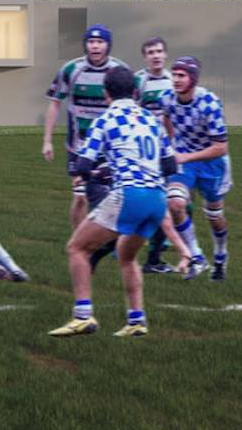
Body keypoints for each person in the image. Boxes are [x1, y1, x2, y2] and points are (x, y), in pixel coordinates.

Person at [49, 66, 190, 338]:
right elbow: (170, 165)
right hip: (157, 199)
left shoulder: (106, 118)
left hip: (130, 195)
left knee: (77, 248)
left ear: (106, 93)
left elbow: (81, 165)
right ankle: (137, 320)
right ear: (135, 92)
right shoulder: (151, 119)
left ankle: (83, 316)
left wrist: (100, 172)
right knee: (127, 256)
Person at [41, 24, 131, 228]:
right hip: (79, 147)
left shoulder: (119, 70)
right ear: (85, 45)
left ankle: (113, 239)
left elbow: (130, 108)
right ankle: (79, 242)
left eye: (100, 42)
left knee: (115, 195)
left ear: (108, 45)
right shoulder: (71, 70)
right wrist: (47, 141)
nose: (95, 46)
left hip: (110, 146)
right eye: (91, 42)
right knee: (80, 196)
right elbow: (55, 103)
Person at [134, 37, 204, 274]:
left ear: (165, 55)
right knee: (160, 203)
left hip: (173, 150)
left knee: (183, 202)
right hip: (147, 153)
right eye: (151, 51)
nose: (155, 55)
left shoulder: (172, 81)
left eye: (159, 51)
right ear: (145, 56)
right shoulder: (139, 81)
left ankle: (174, 247)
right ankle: (153, 257)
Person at [159, 56, 233, 282]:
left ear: (193, 78)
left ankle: (220, 254)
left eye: (182, 75)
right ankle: (197, 256)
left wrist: (186, 155)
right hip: (185, 161)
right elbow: (166, 119)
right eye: (174, 75)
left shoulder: (209, 103)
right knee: (175, 203)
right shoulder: (167, 99)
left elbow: (221, 147)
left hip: (213, 164)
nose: (176, 79)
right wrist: (172, 146)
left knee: (214, 215)